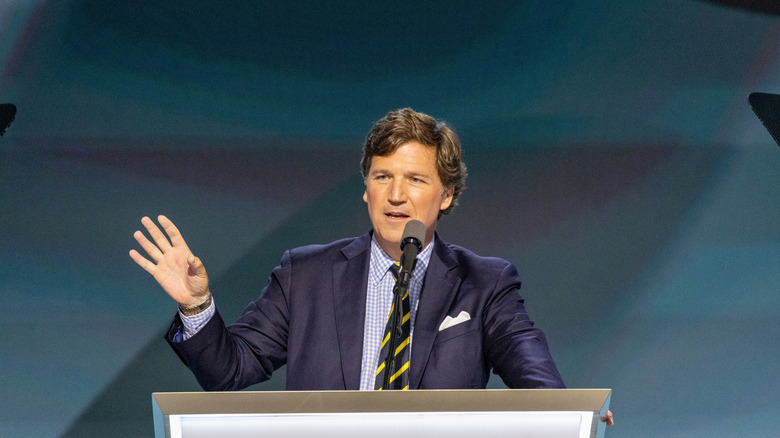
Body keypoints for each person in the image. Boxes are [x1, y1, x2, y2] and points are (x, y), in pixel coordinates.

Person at [131, 109, 610, 422]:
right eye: (382, 177)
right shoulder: (306, 275)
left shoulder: (484, 283)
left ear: (446, 195)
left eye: (415, 179)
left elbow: (531, 370)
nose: (396, 195)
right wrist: (197, 305)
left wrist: (573, 414)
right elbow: (229, 372)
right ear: (366, 189)